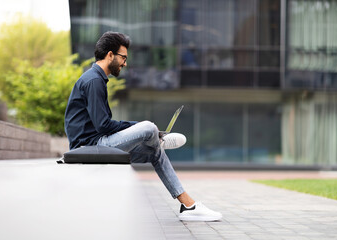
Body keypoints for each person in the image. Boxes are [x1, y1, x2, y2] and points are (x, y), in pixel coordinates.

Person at [64, 31, 222, 222]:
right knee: (148, 127)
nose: (125, 63)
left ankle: (189, 205)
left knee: (154, 152)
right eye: (123, 57)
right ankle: (157, 140)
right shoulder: (93, 80)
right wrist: (138, 127)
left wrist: (136, 129)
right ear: (110, 55)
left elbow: (102, 125)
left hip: (96, 142)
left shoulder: (96, 79)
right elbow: (103, 125)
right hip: (90, 146)